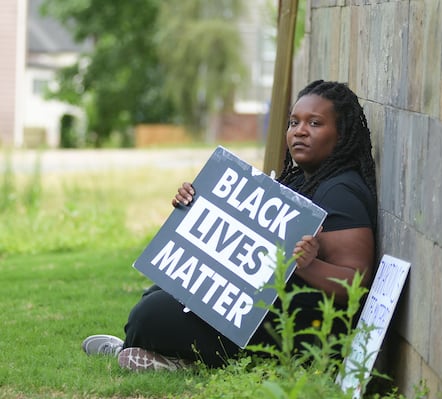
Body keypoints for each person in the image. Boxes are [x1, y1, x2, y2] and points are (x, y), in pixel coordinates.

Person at [82, 80, 378, 371]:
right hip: (263, 305)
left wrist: (305, 265)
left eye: (315, 123)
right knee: (160, 294)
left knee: (151, 316)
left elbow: (357, 283)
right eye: (293, 122)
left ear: (341, 134)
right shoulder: (304, 179)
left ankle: (171, 359)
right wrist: (198, 206)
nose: (299, 131)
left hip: (297, 328)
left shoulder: (341, 192)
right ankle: (155, 353)